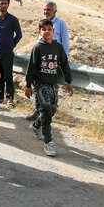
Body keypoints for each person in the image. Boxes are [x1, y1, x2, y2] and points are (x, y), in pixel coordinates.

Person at [25, 18, 74, 157]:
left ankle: (36, 125)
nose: (47, 32)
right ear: (39, 32)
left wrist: (69, 82)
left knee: (52, 110)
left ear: (53, 31)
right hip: (41, 84)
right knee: (46, 109)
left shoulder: (58, 47)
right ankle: (48, 142)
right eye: (44, 29)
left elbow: (64, 64)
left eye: (49, 29)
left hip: (53, 84)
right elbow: (32, 67)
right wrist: (28, 85)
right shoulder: (38, 47)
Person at [26, 0, 70, 121]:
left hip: (53, 62)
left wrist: (62, 60)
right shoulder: (42, 23)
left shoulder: (60, 24)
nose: (46, 12)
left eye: (48, 10)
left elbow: (65, 42)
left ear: (54, 11)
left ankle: (45, 114)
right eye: (44, 10)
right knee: (37, 87)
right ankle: (38, 111)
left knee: (51, 92)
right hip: (40, 61)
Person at [0, 0, 22, 108]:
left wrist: (12, 45)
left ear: (8, 5)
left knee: (8, 77)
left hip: (7, 53)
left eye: (5, 3)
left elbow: (19, 35)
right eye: (1, 3)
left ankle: (10, 99)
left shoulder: (13, 19)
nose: (3, 5)